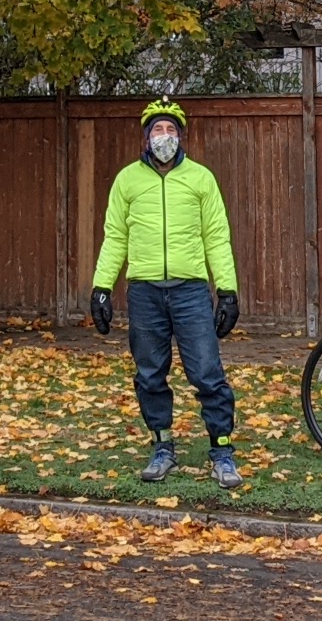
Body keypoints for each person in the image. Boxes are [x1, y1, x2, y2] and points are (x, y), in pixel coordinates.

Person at [88, 96, 244, 490]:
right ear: (146, 137)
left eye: (171, 129)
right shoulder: (127, 181)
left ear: (181, 136)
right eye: (157, 129)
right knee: (150, 374)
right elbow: (115, 237)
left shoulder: (201, 179)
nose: (164, 136)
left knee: (207, 373)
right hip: (144, 293)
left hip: (190, 291)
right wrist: (101, 287)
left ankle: (222, 451)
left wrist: (227, 290)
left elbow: (217, 237)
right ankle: (162, 446)